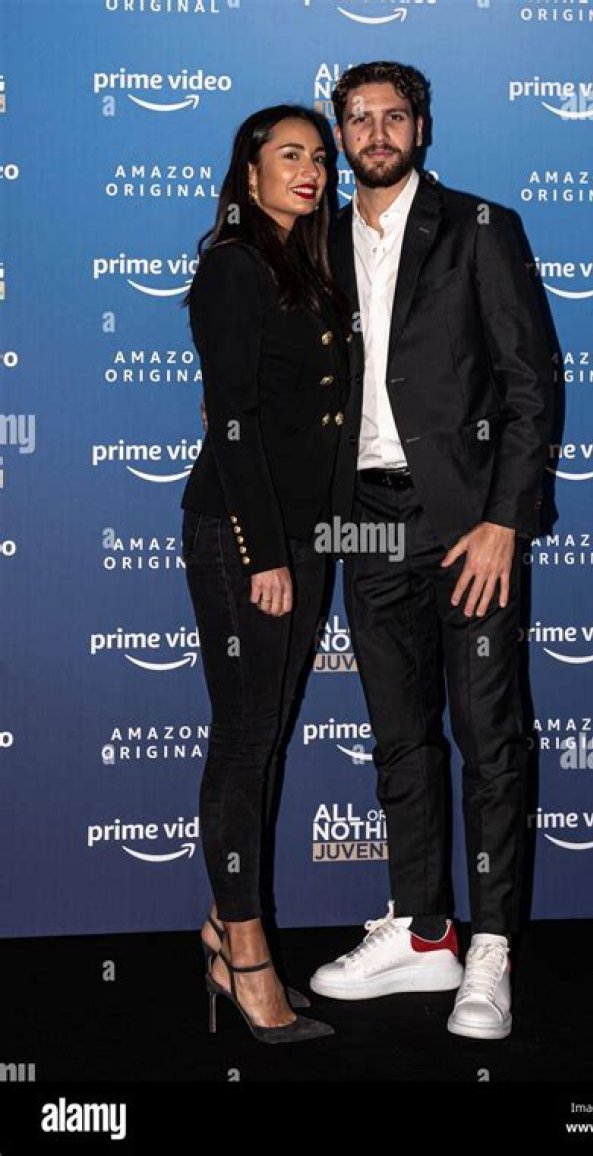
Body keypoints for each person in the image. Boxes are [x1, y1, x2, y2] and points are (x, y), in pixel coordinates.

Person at [308, 62, 555, 1040]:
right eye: (358, 118)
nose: (376, 132)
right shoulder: (318, 242)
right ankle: (422, 931)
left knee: (489, 739)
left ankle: (490, 946)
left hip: (467, 524)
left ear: (423, 128)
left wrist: (504, 520)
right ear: (339, 134)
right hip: (364, 520)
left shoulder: (481, 228)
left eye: (394, 116)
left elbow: (532, 382)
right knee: (400, 737)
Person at [181, 104, 349, 1043]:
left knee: (265, 740)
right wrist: (264, 552)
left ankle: (222, 926)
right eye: (290, 155)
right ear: (248, 174)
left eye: (319, 156)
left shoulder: (305, 269)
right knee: (246, 744)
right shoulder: (234, 266)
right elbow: (233, 419)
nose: (310, 169)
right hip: (245, 539)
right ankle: (246, 957)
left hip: (305, 537)